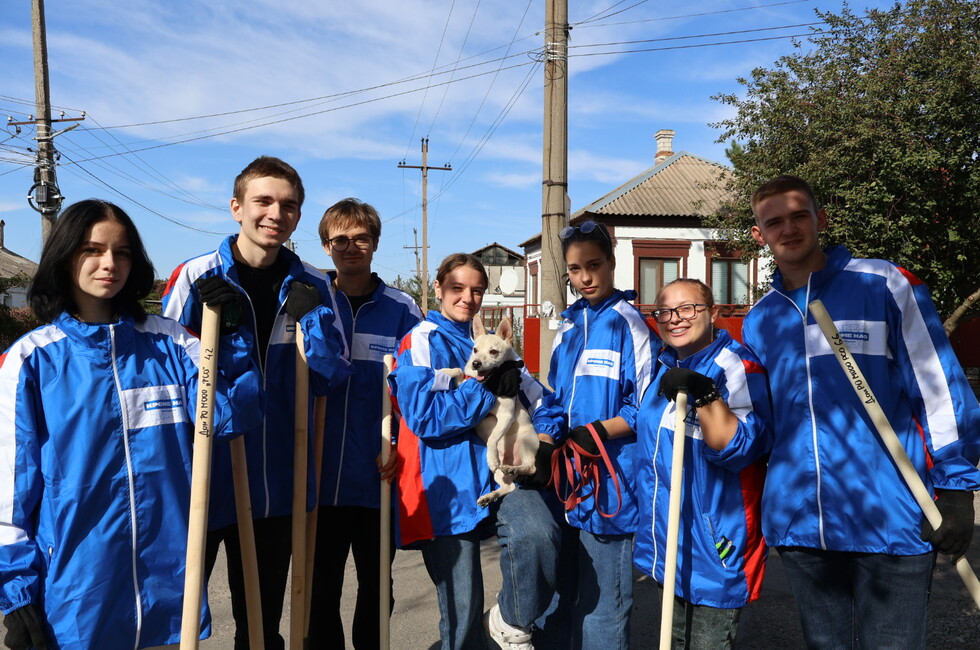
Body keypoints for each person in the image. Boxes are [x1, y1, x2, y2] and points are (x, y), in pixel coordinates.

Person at [0, 200, 260, 649]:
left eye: (122, 252)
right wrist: (16, 593)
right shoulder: (32, 360)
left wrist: (232, 335)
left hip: (169, 585)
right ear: (65, 257)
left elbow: (230, 414)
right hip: (79, 593)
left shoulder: (173, 344)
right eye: (92, 249)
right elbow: (9, 491)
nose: (109, 264)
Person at [744, 174, 980, 648]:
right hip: (802, 525)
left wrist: (957, 488)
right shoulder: (761, 319)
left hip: (889, 514)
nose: (788, 230)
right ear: (759, 235)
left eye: (799, 216)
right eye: (775, 223)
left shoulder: (884, 284)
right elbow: (759, 425)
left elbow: (938, 385)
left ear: (821, 219)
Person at [163, 156, 351, 650]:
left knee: (261, 626)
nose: (275, 213)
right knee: (179, 619)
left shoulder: (315, 282)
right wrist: (220, 337)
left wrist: (313, 322)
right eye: (263, 201)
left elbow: (330, 376)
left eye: (288, 205)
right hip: (202, 478)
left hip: (276, 483)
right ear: (236, 207)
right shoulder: (195, 276)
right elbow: (170, 378)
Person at [388, 252, 562, 650]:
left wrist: (546, 442)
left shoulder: (497, 346)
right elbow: (424, 417)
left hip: (499, 474)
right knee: (462, 613)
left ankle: (506, 620)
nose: (468, 298)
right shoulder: (421, 340)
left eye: (477, 290)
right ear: (437, 288)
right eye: (457, 288)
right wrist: (481, 386)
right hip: (445, 487)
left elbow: (544, 403)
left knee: (540, 538)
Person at [307, 198, 422, 649]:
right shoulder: (313, 302)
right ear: (326, 245)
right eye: (340, 240)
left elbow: (416, 392)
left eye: (361, 238)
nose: (351, 247)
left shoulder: (401, 309)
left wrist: (399, 447)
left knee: (377, 591)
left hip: (377, 476)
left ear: (375, 244)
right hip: (319, 476)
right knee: (320, 593)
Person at [633, 278, 772, 648]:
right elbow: (645, 433)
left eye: (687, 308)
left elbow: (741, 448)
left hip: (716, 546)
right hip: (669, 540)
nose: (675, 318)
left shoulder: (736, 366)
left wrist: (706, 394)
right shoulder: (662, 367)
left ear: (711, 313)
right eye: (664, 311)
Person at [540, 220, 659, 650]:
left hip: (611, 487)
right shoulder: (568, 326)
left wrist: (599, 431)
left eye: (593, 265)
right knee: (560, 600)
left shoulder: (631, 324)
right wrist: (545, 440)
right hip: (566, 485)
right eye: (574, 269)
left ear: (612, 263)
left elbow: (647, 406)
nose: (584, 277)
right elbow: (553, 398)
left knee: (604, 608)